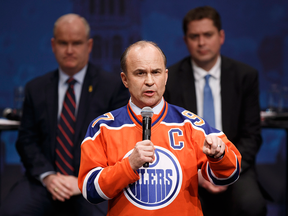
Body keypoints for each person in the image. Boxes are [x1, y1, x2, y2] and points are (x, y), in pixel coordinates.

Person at [78, 40, 241, 216]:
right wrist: (129, 165)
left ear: (165, 76)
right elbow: (90, 191)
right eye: (140, 73)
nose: (149, 81)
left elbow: (229, 175)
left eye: (156, 72)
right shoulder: (103, 127)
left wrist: (219, 157)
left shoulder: (191, 125)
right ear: (125, 79)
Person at [0, 13, 129, 216]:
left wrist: (83, 181)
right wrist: (48, 176)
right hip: (44, 183)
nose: (69, 50)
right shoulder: (36, 88)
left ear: (89, 45)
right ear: (53, 45)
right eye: (63, 43)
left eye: (76, 43)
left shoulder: (112, 87)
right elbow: (27, 141)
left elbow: (119, 143)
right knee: (10, 211)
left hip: (92, 182)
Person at [163, 6, 267, 216]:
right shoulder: (169, 80)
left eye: (208, 35)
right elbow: (165, 137)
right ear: (185, 41)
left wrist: (224, 169)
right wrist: (198, 172)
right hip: (188, 169)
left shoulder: (245, 76)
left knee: (252, 205)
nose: (201, 43)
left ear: (221, 36)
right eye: (195, 36)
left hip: (235, 164)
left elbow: (251, 136)